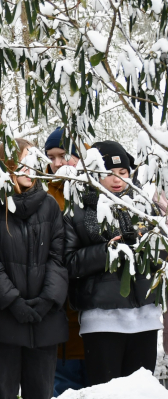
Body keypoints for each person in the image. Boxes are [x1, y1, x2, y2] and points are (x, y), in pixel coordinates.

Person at [0, 139, 68, 399]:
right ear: (6, 164)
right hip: (3, 319)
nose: (29, 169)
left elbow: (58, 256)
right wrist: (13, 301)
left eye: (33, 162)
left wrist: (47, 299)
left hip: (44, 317)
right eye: (21, 163)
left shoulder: (50, 205)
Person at [64, 141, 163, 386]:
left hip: (144, 316)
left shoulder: (145, 209)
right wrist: (108, 251)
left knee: (142, 398)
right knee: (106, 397)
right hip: (101, 318)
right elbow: (69, 263)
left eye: (123, 173)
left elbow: (161, 257)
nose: (117, 180)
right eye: (109, 173)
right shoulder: (77, 211)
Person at [44, 127, 87, 396]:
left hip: (95, 299)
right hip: (61, 299)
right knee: (65, 380)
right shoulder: (46, 193)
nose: (58, 163)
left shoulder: (101, 188)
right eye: (52, 157)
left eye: (64, 155)